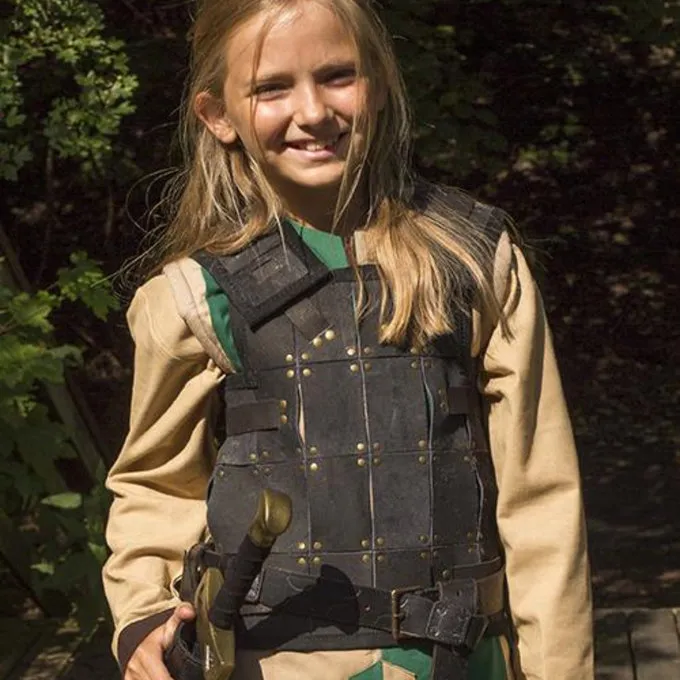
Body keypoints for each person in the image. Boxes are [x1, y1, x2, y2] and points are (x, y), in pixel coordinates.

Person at [102, 0, 594, 678]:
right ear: (219, 115)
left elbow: (541, 496)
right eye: (272, 88)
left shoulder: (473, 260)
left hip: (460, 661)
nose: (312, 111)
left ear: (380, 82)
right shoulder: (192, 296)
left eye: (338, 75)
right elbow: (156, 483)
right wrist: (142, 613)